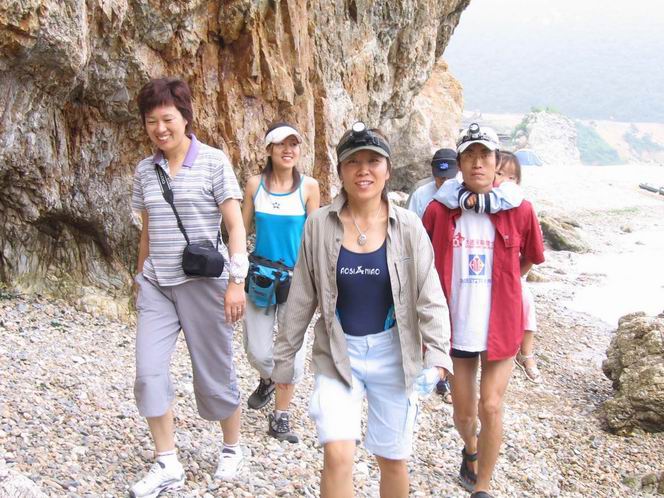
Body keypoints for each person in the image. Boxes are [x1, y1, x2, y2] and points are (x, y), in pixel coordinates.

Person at [271, 123, 453, 497]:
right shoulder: (319, 225)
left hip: (394, 352)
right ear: (340, 170)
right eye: (353, 162)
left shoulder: (409, 227)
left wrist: (437, 358)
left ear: (388, 169)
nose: (363, 170)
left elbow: (429, 296)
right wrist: (284, 362)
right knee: (337, 454)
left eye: (373, 161)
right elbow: (302, 296)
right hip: (339, 353)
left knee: (393, 459)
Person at [129, 77, 249, 497]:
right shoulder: (145, 170)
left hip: (205, 284)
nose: (160, 129)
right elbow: (146, 231)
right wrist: (139, 277)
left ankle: (232, 447)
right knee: (148, 373)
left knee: (214, 369)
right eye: (151, 121)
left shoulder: (214, 161)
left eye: (167, 119)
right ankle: (166, 462)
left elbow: (235, 227)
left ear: (185, 117)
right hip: (157, 285)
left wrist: (236, 282)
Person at [422, 124, 545, 498]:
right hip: (456, 326)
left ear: (496, 162)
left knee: (490, 405)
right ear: (460, 163)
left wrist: (508, 284)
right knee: (464, 413)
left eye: (485, 156)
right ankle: (470, 449)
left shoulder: (519, 209)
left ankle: (484, 487)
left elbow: (531, 256)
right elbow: (422, 264)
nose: (478, 163)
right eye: (470, 156)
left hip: (501, 324)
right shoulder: (439, 210)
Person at [241, 122, 320, 417]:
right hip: (260, 277)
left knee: (293, 353)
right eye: (281, 144)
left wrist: (318, 280)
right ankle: (269, 379)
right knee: (257, 350)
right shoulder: (255, 185)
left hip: (296, 278)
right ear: (269, 149)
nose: (288, 150)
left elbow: (315, 236)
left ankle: (281, 416)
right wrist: (234, 271)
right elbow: (240, 230)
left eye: (293, 144)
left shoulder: (309, 187)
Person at [493, 153, 542, 383]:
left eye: (511, 177)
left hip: (510, 277)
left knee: (526, 303)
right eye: (499, 173)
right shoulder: (478, 206)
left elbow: (532, 255)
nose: (504, 181)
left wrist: (513, 277)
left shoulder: (523, 208)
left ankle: (527, 354)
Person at [406, 147, 458, 218]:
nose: (445, 182)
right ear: (434, 174)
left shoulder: (465, 191)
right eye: (442, 178)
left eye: (450, 177)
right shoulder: (420, 192)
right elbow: (409, 220)